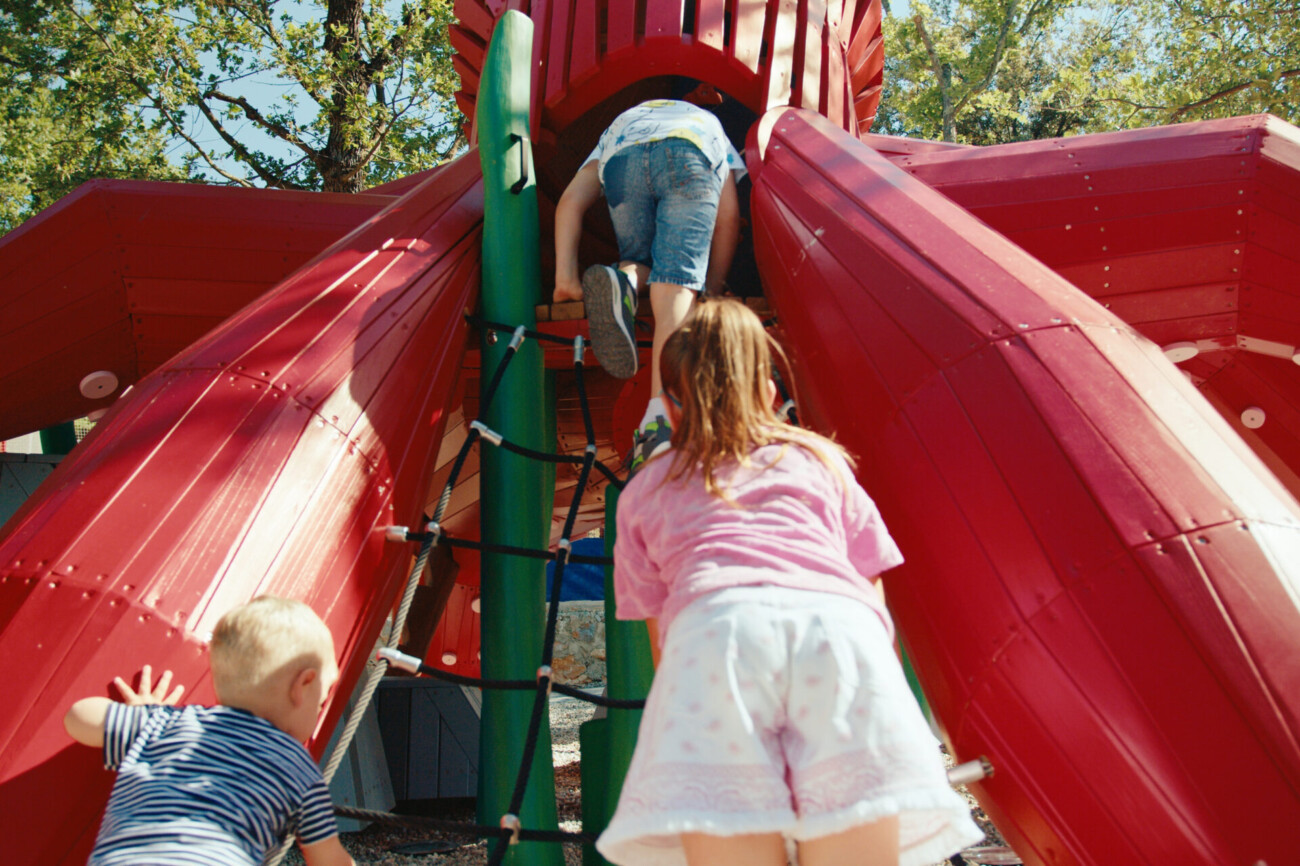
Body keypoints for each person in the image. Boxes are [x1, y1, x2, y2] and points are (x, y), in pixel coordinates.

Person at [597, 300, 983, 866]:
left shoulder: (647, 490)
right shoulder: (820, 461)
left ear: (672, 411)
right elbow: (872, 590)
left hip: (714, 633)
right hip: (839, 632)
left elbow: (662, 636)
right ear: (772, 394)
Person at [64, 596, 355, 866]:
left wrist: (141, 714)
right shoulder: (299, 769)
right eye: (322, 698)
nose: (320, 708)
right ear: (303, 685)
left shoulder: (167, 723)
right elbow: (329, 860)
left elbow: (77, 717)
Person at [553, 82, 744, 472]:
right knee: (675, 282)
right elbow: (728, 219)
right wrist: (714, 286)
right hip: (690, 155)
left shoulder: (621, 125)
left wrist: (565, 278)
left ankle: (622, 284)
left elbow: (570, 201)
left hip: (621, 159)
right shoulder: (709, 126)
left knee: (637, 258)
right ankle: (660, 421)